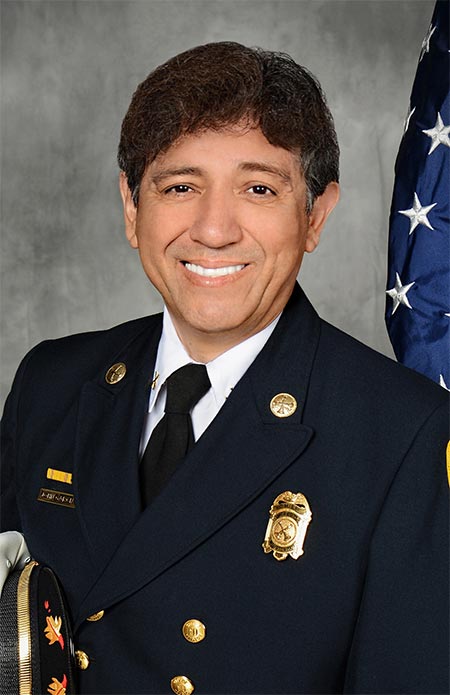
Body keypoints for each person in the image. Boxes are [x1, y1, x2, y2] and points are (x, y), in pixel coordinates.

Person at [1, 42, 448, 695]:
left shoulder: (402, 434)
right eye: (179, 186)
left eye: (259, 188)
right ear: (132, 208)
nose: (213, 229)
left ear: (316, 215)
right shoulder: (51, 381)